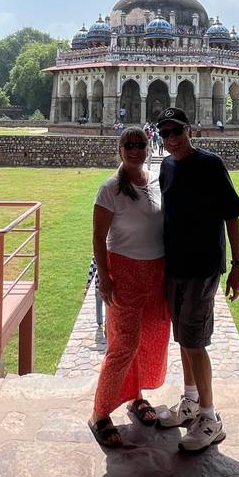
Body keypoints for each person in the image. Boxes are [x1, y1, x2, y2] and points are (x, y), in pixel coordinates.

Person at [156, 107, 239, 453]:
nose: (171, 139)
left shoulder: (210, 164)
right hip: (175, 266)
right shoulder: (167, 166)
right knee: (183, 337)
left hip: (203, 266)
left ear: (189, 130)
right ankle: (191, 401)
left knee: (194, 340)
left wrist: (237, 265)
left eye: (176, 131)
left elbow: (232, 217)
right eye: (165, 134)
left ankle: (210, 418)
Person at [88, 126, 170, 447]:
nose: (136, 149)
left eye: (141, 144)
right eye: (129, 145)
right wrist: (104, 277)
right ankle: (99, 413)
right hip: (124, 271)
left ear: (148, 147)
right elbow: (98, 237)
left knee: (149, 339)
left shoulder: (155, 181)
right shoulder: (109, 189)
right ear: (120, 150)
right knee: (124, 344)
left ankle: (136, 396)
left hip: (156, 271)